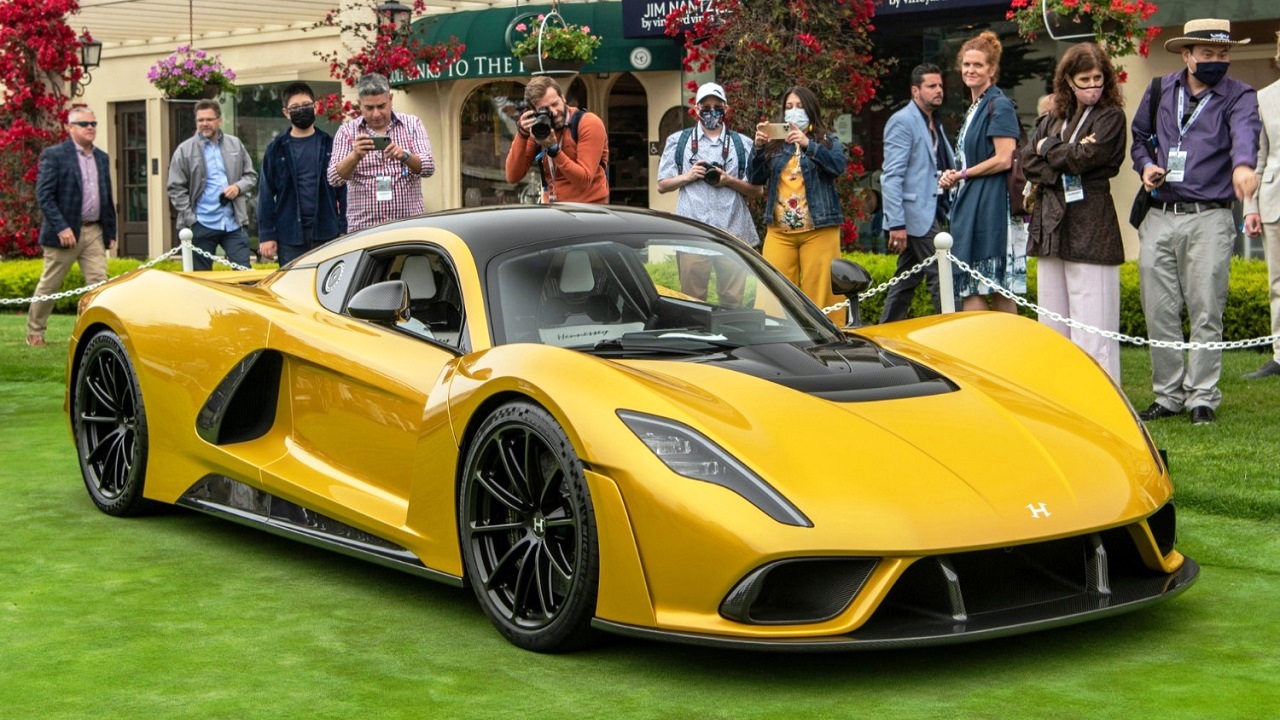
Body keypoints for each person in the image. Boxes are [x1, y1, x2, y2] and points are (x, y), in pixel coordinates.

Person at [1131, 18, 1261, 424]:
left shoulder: (1240, 95)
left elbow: (1245, 133)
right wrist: (1146, 166)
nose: (1217, 60)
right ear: (1187, 55)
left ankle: (1202, 397)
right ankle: (1168, 396)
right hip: (1159, 215)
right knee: (1159, 311)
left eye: (1223, 54)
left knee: (1206, 309)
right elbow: (1139, 137)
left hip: (1210, 217)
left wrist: (1243, 166)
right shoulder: (1158, 89)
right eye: (1207, 53)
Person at [1020, 43, 1127, 380]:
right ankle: (1060, 394)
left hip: (1091, 224)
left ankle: (1100, 396)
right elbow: (1027, 161)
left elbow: (1084, 159)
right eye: (1085, 80)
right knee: (1052, 323)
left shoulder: (1110, 117)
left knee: (1092, 326)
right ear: (1068, 80)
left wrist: (1048, 148)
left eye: (1098, 79)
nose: (1093, 86)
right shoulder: (1053, 117)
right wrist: (1063, 155)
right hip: (1052, 223)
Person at [938, 30, 1023, 313]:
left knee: (996, 284)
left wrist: (963, 174)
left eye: (978, 65)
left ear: (992, 69)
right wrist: (954, 175)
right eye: (966, 64)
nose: (970, 70)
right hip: (971, 200)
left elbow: (1004, 158)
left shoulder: (999, 104)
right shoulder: (976, 106)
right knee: (970, 285)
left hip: (993, 203)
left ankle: (1005, 343)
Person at [656, 82, 760, 307]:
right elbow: (662, 185)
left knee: (732, 301)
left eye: (717, 106)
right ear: (696, 109)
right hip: (692, 232)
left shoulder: (742, 144)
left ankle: (730, 331)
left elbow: (757, 190)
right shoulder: (679, 141)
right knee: (692, 300)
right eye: (705, 107)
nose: (711, 111)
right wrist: (689, 176)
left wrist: (729, 180)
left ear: (726, 108)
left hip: (732, 231)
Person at [750, 86, 847, 322]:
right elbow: (755, 178)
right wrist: (759, 148)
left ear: (811, 109)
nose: (794, 111)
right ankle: (776, 336)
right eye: (789, 107)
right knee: (773, 292)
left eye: (800, 106)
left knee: (822, 293)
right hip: (780, 232)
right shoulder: (775, 144)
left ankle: (828, 337)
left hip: (819, 230)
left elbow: (838, 166)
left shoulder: (827, 140)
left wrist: (807, 144)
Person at [26, 106, 116, 347]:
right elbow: (44, 195)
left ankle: (95, 332)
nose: (90, 128)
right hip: (64, 233)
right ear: (70, 128)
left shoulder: (102, 157)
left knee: (99, 284)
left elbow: (106, 197)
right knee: (50, 285)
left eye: (93, 124)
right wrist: (61, 227)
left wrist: (110, 232)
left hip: (94, 231)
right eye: (84, 124)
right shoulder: (55, 155)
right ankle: (35, 331)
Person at [879, 63, 954, 322]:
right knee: (941, 276)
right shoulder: (903, 121)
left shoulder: (934, 121)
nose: (939, 90)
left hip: (932, 211)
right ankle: (952, 332)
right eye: (931, 86)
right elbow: (891, 175)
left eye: (940, 85)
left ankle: (884, 331)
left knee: (906, 281)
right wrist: (896, 223)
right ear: (915, 91)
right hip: (914, 215)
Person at [327, 72, 434, 233]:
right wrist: (355, 156)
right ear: (359, 104)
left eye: (381, 106)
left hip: (407, 227)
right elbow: (334, 179)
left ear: (391, 99)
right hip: (364, 229)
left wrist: (405, 156)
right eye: (369, 108)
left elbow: (428, 168)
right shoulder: (347, 132)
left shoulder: (412, 124)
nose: (376, 114)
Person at [258, 82, 346, 266]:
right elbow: (266, 193)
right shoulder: (276, 149)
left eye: (306, 105)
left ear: (315, 106)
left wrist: (344, 227)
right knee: (292, 282)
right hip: (289, 235)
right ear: (286, 112)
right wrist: (266, 235)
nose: (301, 110)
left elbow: (343, 190)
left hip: (327, 231)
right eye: (295, 107)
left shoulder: (330, 145)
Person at [167, 99, 258, 271]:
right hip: (202, 223)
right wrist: (191, 219)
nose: (204, 124)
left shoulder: (235, 144)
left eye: (209, 119)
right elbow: (175, 188)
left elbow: (251, 175)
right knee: (202, 279)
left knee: (244, 275)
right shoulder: (184, 150)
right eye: (200, 120)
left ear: (219, 120)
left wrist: (238, 187)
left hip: (233, 222)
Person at [505, 76, 609, 204]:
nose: (554, 112)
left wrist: (554, 150)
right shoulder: (540, 130)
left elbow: (584, 181)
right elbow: (512, 176)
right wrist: (522, 134)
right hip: (553, 208)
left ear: (563, 98)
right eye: (545, 109)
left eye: (555, 104)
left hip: (588, 209)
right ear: (534, 111)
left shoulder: (588, 123)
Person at [1244, 33, 1280, 379]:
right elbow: (1258, 156)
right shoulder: (1264, 97)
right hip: (1273, 200)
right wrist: (1250, 207)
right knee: (1278, 283)